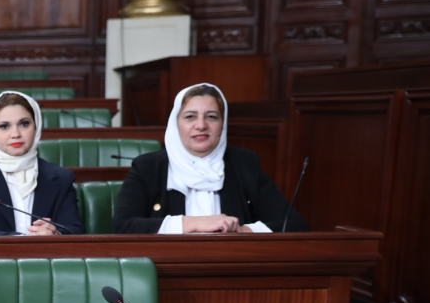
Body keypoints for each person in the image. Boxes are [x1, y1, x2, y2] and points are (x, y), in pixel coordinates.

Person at [112, 83, 308, 234]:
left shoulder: (244, 164)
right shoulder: (148, 168)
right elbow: (123, 226)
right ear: (175, 124)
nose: (201, 125)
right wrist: (194, 223)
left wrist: (242, 230)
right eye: (190, 116)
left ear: (223, 124)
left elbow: (293, 224)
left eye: (212, 117)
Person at [0, 91, 84, 236]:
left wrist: (55, 235)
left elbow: (74, 229)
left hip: (47, 256)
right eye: (4, 126)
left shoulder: (61, 178)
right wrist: (18, 240)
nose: (15, 133)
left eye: (24, 124)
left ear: (36, 126)